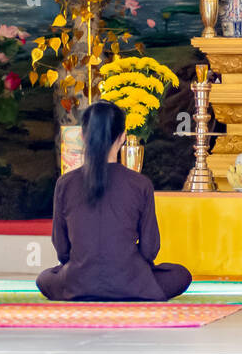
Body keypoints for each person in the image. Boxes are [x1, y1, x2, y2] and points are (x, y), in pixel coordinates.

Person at [37, 101, 192, 302]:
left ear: (83, 136)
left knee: (44, 278)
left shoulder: (65, 183)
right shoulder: (140, 183)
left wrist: (78, 266)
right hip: (131, 283)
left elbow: (62, 248)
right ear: (122, 137)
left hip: (78, 283)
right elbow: (149, 249)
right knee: (181, 274)